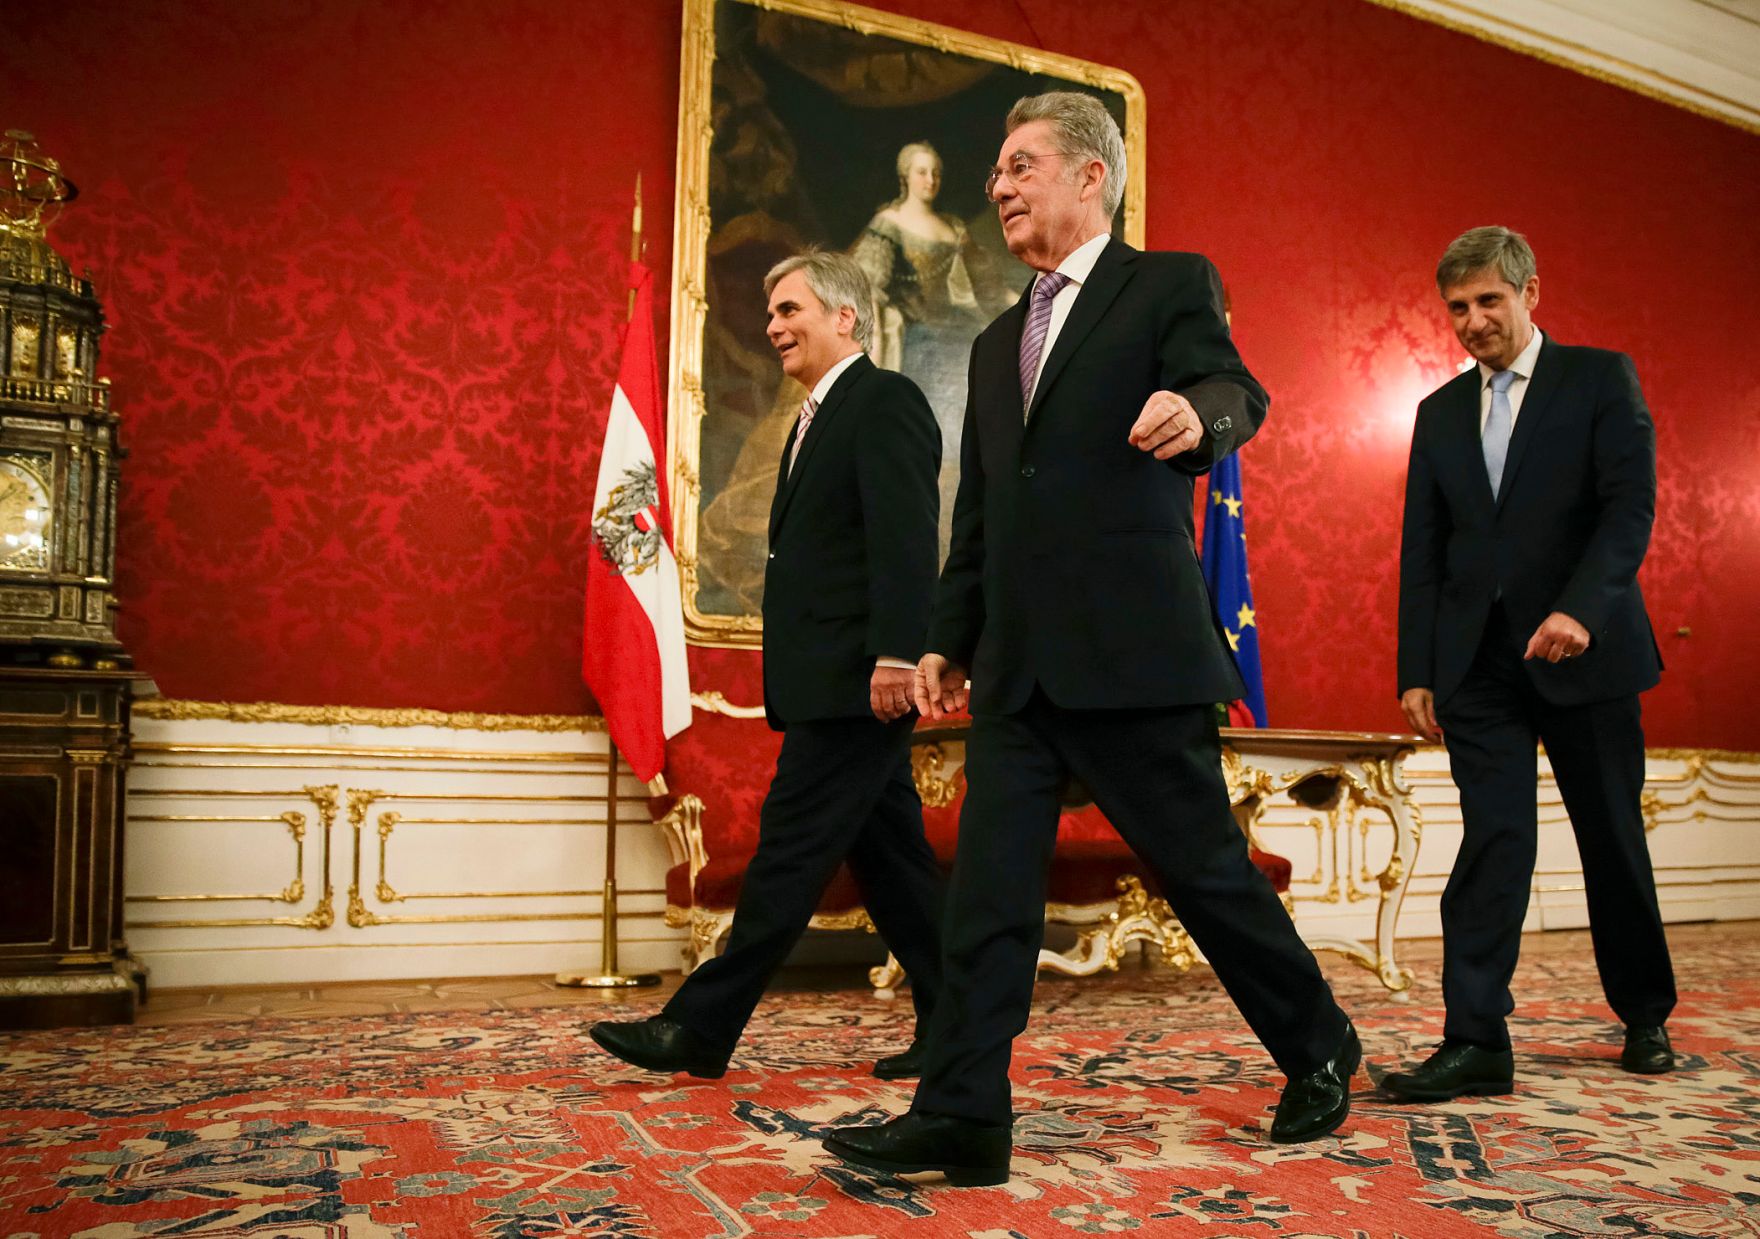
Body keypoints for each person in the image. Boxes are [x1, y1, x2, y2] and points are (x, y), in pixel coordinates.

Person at [821, 92, 1358, 1187]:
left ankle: (1318, 1045)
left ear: (1089, 177)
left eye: (1019, 166)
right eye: (994, 174)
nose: (998, 186)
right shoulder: (988, 341)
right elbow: (979, 509)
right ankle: (964, 1113)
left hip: (1133, 651)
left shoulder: (1164, 283)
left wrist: (1195, 419)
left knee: (1204, 877)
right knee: (986, 894)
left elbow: (1233, 388)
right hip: (1018, 665)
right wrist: (946, 636)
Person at [591, 251, 946, 1081]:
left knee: (788, 852)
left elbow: (905, 539)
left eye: (791, 311)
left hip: (858, 682)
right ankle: (957, 1027)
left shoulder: (883, 401)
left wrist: (896, 653)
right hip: (826, 679)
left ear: (845, 317)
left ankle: (701, 1027)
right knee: (895, 869)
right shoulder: (811, 417)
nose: (774, 326)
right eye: (772, 314)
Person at [1385, 226, 1676, 1101]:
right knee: (1494, 839)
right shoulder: (1438, 413)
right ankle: (1476, 1037)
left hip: (1588, 649)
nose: (1473, 321)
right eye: (1458, 309)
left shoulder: (1597, 378)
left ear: (1530, 293)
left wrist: (1581, 609)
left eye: (1488, 302)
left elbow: (1630, 509)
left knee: (1611, 837)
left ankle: (1644, 1010)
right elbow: (1423, 551)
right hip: (1480, 664)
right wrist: (1417, 667)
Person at [851, 140, 1015, 551]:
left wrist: (1028, 302)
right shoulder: (889, 223)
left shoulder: (954, 228)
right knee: (924, 438)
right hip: (918, 334)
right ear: (905, 175)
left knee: (972, 432)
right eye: (922, 171)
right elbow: (868, 283)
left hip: (960, 333)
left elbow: (988, 286)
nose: (930, 179)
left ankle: (957, 523)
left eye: (936, 172)